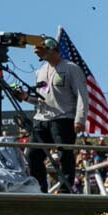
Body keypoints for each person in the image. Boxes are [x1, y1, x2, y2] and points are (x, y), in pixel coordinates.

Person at [26, 36, 85, 193]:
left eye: (41, 50)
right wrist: (25, 97)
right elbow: (40, 98)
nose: (39, 54)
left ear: (52, 48)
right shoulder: (40, 71)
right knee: (32, 154)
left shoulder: (71, 68)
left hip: (64, 118)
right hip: (41, 118)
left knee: (64, 153)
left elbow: (82, 95)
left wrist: (80, 119)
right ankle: (40, 190)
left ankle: (66, 190)